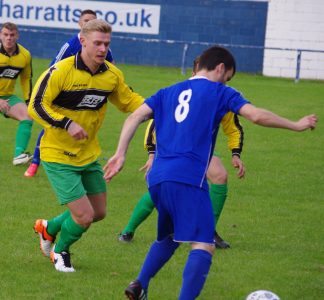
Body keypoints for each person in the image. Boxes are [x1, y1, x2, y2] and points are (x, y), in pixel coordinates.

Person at [103, 45, 317, 299]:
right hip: (188, 178)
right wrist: (296, 125)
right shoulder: (220, 92)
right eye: (227, 77)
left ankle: (139, 285)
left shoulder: (167, 91)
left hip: (158, 176)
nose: (226, 81)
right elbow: (256, 116)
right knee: (204, 243)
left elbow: (133, 118)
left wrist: (120, 153)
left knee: (170, 236)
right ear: (220, 68)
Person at [29, 19, 144, 272]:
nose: (103, 49)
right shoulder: (60, 72)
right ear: (82, 41)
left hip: (88, 154)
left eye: (106, 44)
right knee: (83, 216)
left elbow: (129, 101)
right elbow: (36, 106)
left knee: (98, 212)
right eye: (97, 43)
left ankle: (48, 229)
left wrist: (160, 107)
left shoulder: (111, 75)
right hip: (58, 154)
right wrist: (66, 123)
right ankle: (60, 251)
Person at [119, 57, 246, 249]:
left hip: (200, 151)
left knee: (220, 176)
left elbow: (232, 126)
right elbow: (153, 122)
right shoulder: (179, 92)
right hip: (172, 150)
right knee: (163, 189)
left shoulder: (220, 95)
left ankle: (208, 230)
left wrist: (235, 153)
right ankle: (128, 229)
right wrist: (152, 154)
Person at [24, 9, 114, 177]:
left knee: (84, 127)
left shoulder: (103, 50)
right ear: (80, 24)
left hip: (87, 92)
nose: (88, 23)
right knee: (52, 127)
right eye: (86, 20)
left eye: (92, 21)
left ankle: (80, 163)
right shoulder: (70, 46)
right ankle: (35, 163)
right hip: (62, 95)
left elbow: (112, 71)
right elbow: (52, 70)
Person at [0, 22, 33, 165]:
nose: (9, 38)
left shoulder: (25, 55)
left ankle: (18, 155)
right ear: (1, 36)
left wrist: (29, 101)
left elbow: (26, 79)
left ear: (17, 36)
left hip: (7, 96)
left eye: (12, 35)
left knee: (27, 116)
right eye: (5, 35)